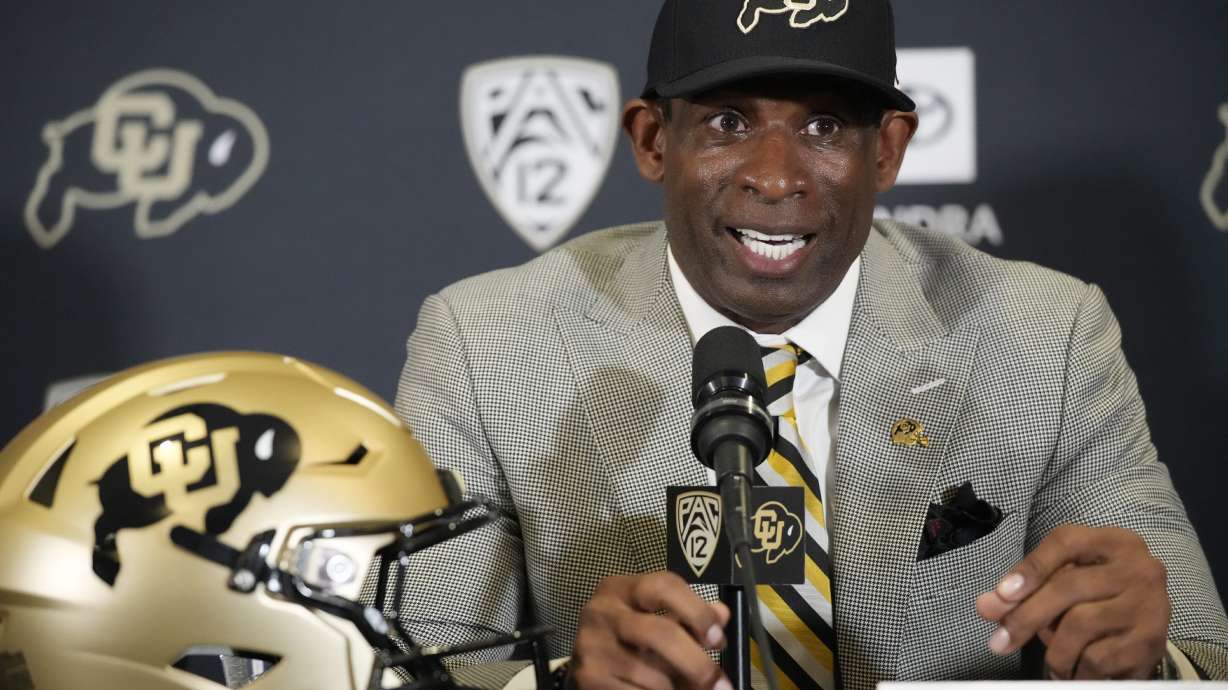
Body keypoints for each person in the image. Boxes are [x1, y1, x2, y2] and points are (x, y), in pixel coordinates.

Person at [383, 0, 1228, 688]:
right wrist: (565, 685)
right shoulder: (485, 348)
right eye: (725, 121)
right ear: (651, 140)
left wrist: (1148, 662)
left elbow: (1201, 651)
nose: (777, 174)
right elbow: (409, 669)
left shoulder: (1049, 338)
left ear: (887, 148)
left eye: (825, 126)